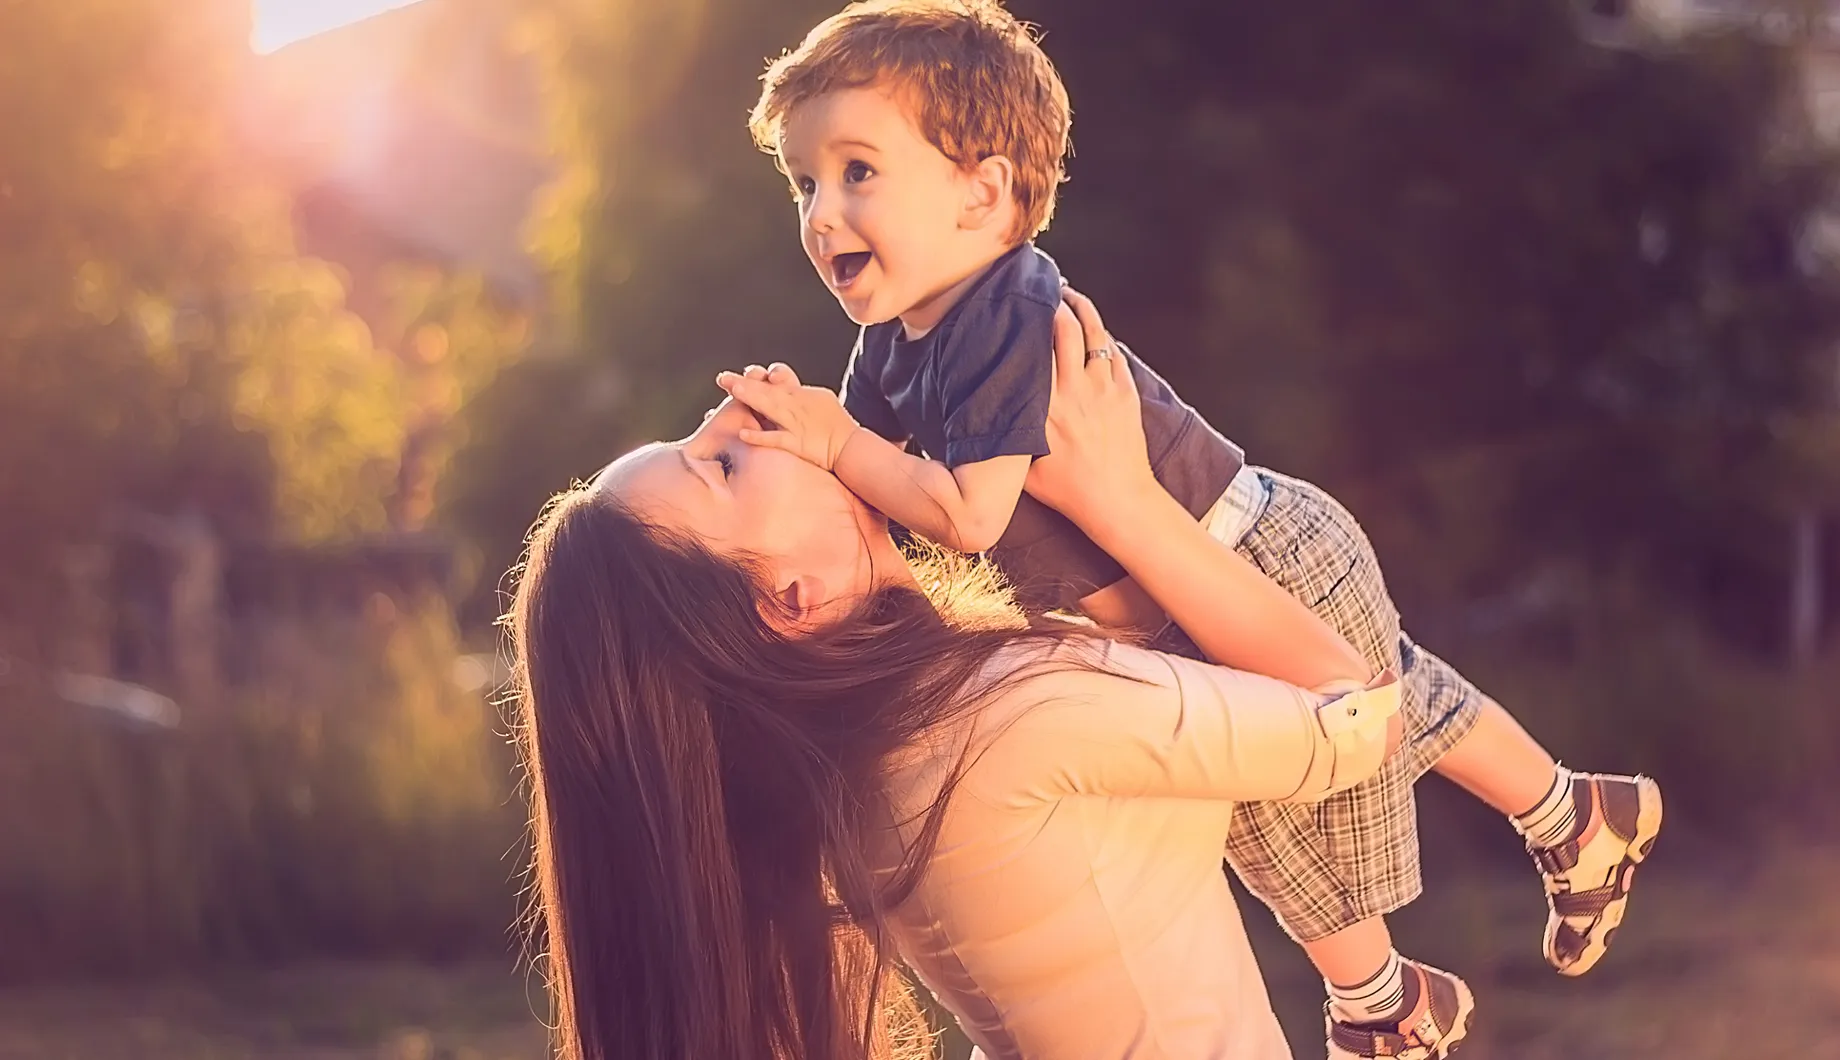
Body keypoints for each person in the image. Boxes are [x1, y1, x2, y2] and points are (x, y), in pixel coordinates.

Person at [737, 3, 1663, 1056]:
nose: (820, 211)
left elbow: (964, 511)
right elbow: (865, 492)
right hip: (1187, 585)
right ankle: (1569, 819)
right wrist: (783, 450)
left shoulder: (1000, 310)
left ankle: (1388, 1000)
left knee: (1281, 796)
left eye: (857, 170)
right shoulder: (901, 345)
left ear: (982, 193)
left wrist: (833, 442)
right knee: (1386, 704)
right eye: (804, 182)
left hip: (1243, 550)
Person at [509, 300, 1406, 1060]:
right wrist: (1122, 498)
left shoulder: (866, 770)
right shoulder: (1012, 710)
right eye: (722, 465)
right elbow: (1356, 716)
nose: (743, 410)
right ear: (788, 598)